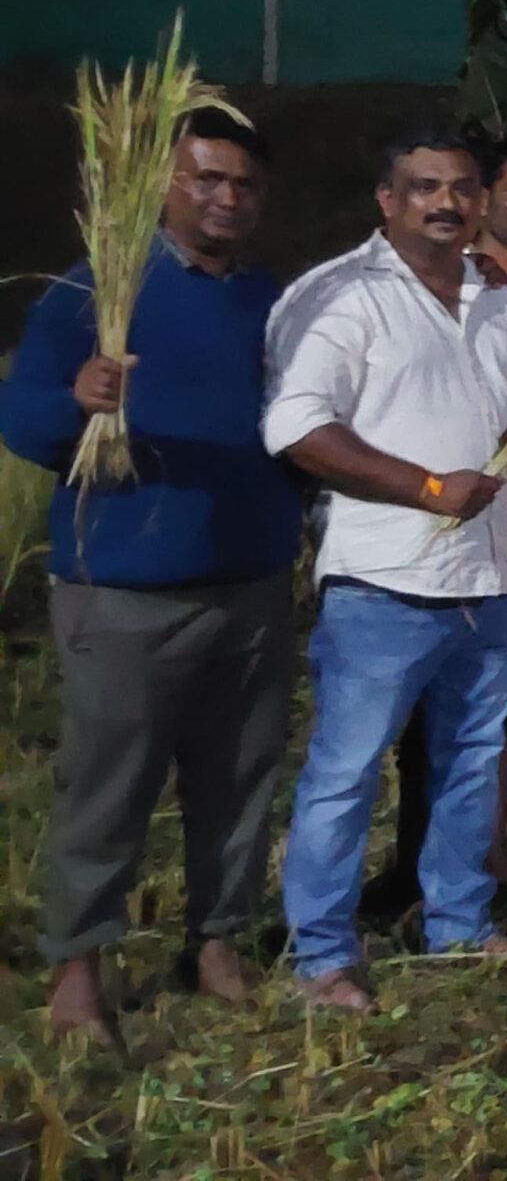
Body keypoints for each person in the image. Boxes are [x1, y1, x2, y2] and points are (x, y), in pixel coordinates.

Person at [2, 110, 303, 1044]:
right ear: (163, 185)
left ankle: (217, 941)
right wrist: (76, 401)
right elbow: (21, 416)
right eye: (206, 178)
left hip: (251, 582)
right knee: (108, 784)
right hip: (125, 586)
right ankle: (78, 966)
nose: (226, 197)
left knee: (240, 778)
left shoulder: (274, 302)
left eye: (244, 183)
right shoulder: (97, 292)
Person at [261, 132, 507, 1012]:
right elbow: (298, 429)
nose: (446, 203)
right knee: (347, 770)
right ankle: (321, 953)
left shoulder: (498, 301)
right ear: (387, 201)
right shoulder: (343, 296)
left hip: (490, 578)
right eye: (424, 187)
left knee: (472, 761)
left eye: (461, 189)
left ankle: (458, 923)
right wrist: (428, 488)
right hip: (383, 579)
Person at [371, 136, 507, 914]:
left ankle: (486, 858)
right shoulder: (437, 285)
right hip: (443, 526)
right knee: (424, 708)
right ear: (485, 200)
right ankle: (412, 869)